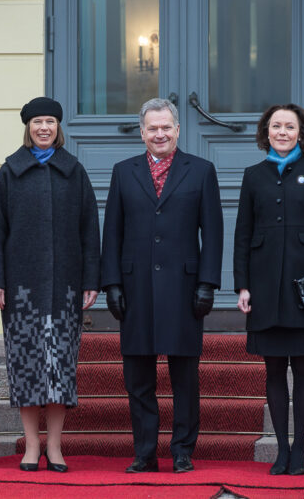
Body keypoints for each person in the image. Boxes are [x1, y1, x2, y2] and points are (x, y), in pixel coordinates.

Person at [100, 98, 224, 473]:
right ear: (142, 132)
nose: (159, 134)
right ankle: (145, 452)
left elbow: (214, 233)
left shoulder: (201, 171)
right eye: (152, 128)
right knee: (138, 379)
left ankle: (183, 450)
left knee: (184, 377)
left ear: (178, 130)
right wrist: (112, 284)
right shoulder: (123, 172)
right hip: (135, 290)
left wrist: (207, 283)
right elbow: (113, 232)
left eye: (166, 127)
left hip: (184, 291)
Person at [0, 97, 100, 473]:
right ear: (28, 127)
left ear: (58, 127)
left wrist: (90, 281)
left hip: (64, 289)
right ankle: (31, 446)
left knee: (59, 369)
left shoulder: (74, 171)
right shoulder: (10, 172)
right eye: (37, 122)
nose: (44, 128)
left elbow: (89, 232)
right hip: (22, 291)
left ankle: (55, 447)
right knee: (28, 367)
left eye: (50, 121)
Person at [233, 103, 304, 476]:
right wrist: (242, 285)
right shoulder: (253, 175)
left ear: (301, 132)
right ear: (266, 132)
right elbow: (243, 235)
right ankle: (280, 449)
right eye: (275, 126)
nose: (282, 132)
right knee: (274, 370)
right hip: (264, 288)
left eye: (289, 127)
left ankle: (300, 450)